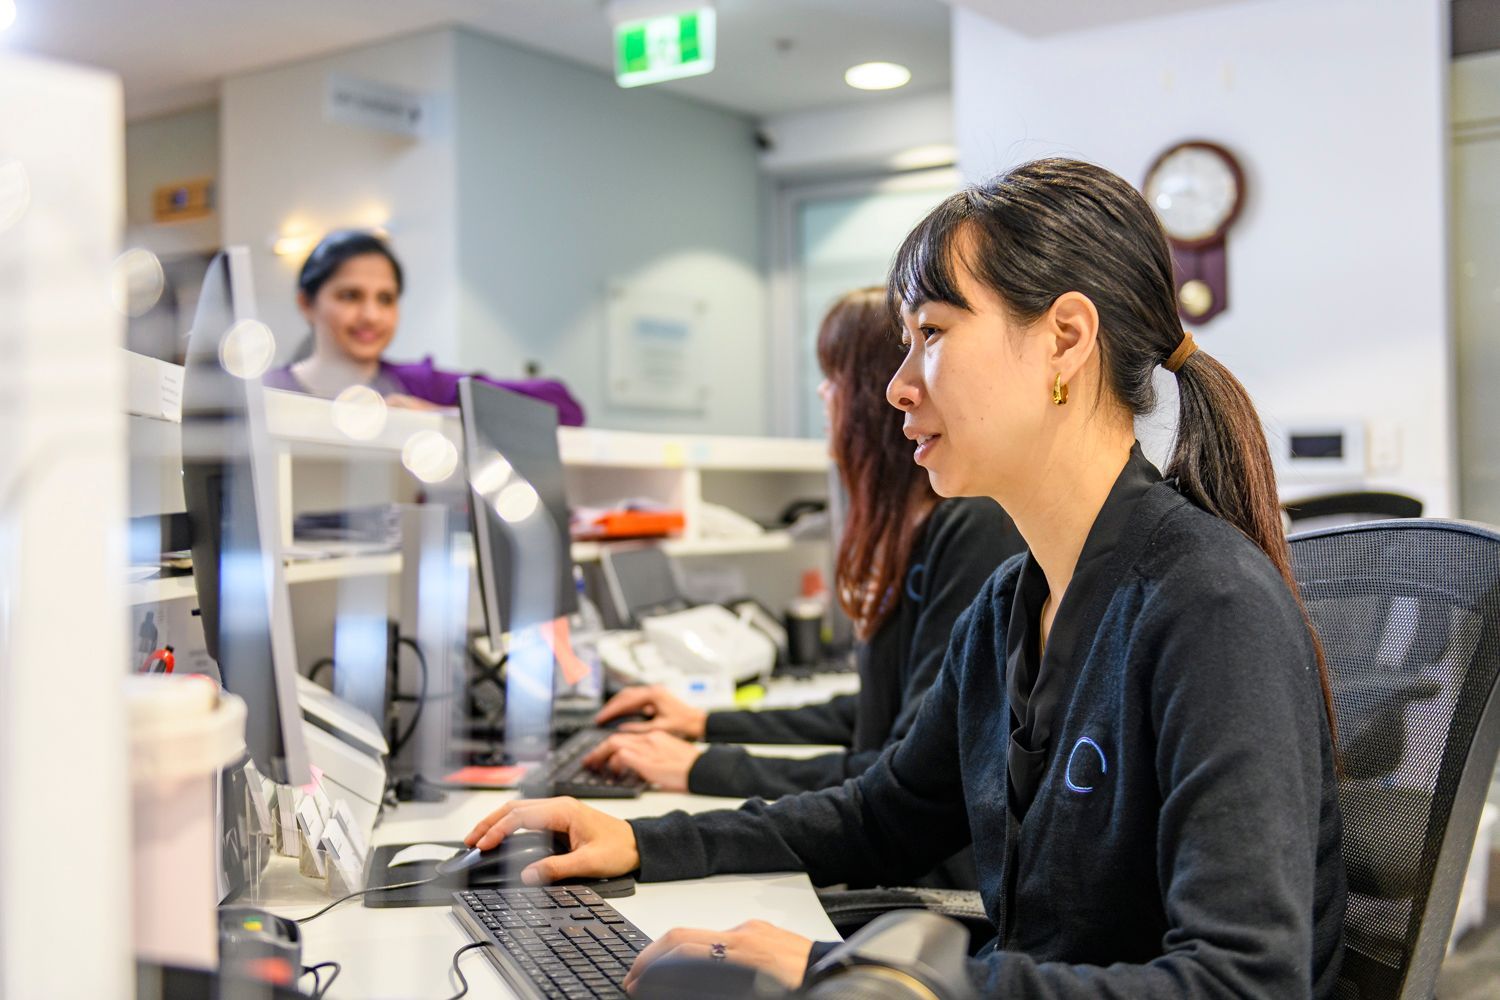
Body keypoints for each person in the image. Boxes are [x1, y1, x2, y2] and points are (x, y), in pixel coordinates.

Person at [463, 159, 1348, 997]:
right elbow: (881, 817)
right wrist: (645, 839)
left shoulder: (1208, 604)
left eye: (931, 335)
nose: (895, 386)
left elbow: (1245, 981)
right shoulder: (1014, 602)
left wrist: (842, 974)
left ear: (1065, 341)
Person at [580, 288, 1023, 836]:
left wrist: (701, 767)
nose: (823, 392)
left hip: (923, 873)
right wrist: (705, 722)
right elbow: (869, 718)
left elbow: (898, 776)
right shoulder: (918, 530)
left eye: (835, 375)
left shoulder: (973, 530)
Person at [263, 230, 585, 425]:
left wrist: (440, 414)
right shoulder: (266, 391)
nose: (371, 315)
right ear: (306, 303)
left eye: (386, 299)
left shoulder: (419, 385)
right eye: (350, 296)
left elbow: (562, 407)